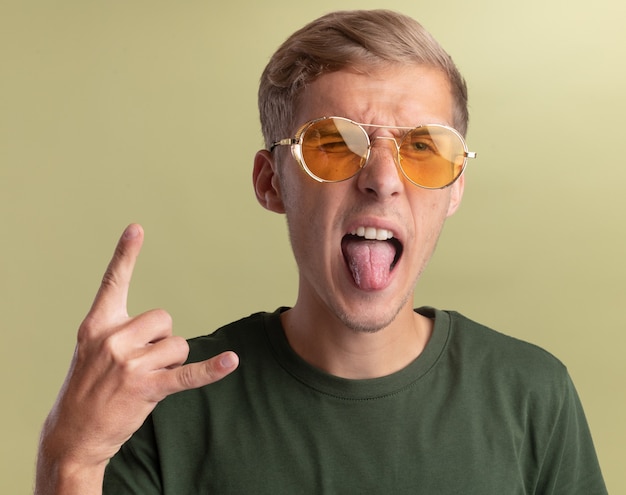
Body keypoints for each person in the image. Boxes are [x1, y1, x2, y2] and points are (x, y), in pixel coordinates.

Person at [35, 9, 607, 494]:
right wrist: (73, 459)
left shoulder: (534, 396)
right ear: (271, 182)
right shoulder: (165, 410)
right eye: (334, 145)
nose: (382, 179)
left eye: (424, 148)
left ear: (455, 185)